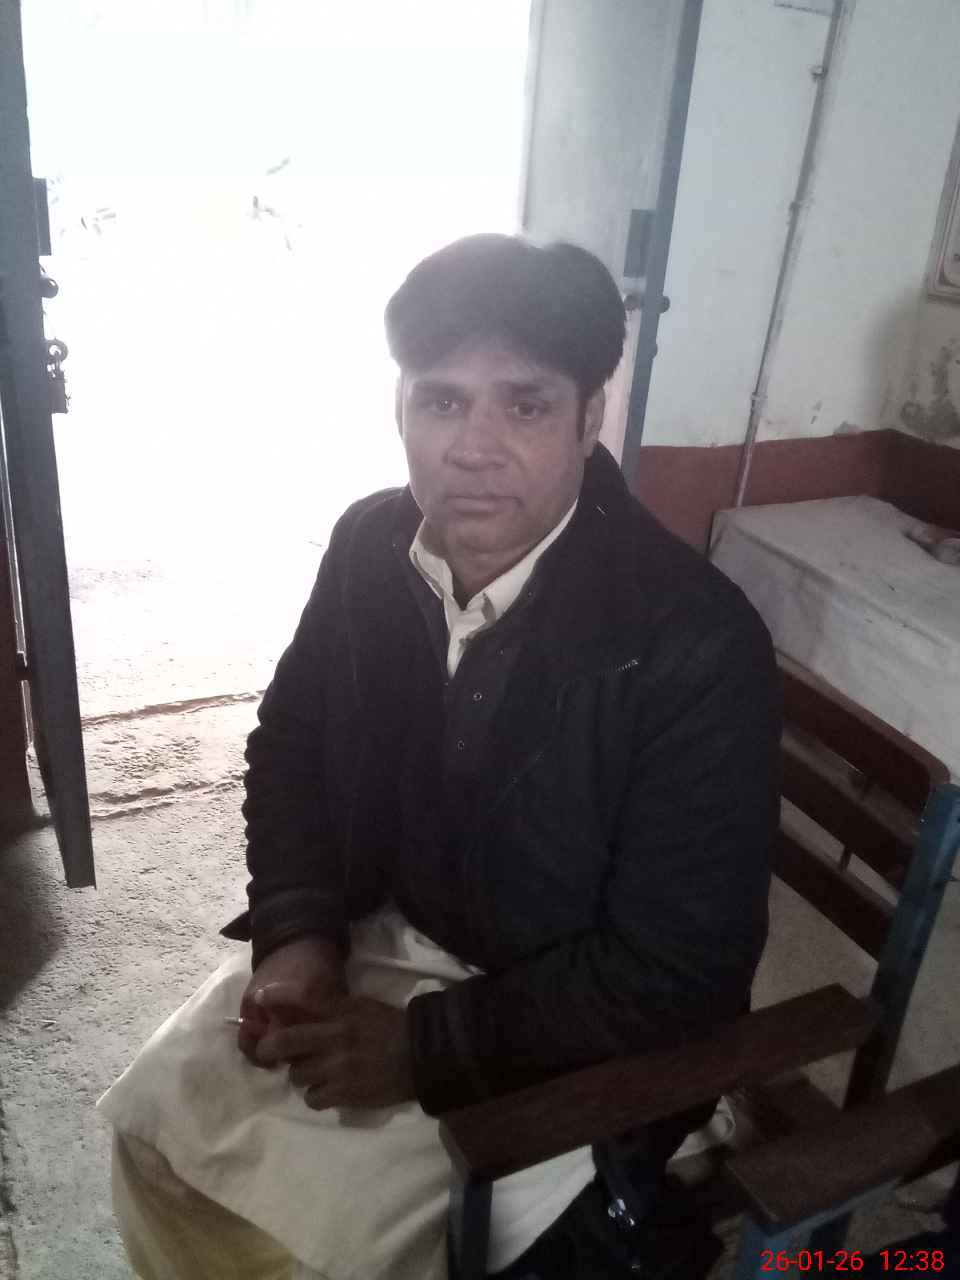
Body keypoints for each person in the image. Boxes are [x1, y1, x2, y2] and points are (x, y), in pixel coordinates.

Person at [98, 234, 780, 1279]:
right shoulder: (370, 548)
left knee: (292, 1252)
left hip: (565, 1027)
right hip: (384, 931)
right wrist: (296, 930)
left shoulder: (693, 640)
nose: (474, 447)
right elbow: (291, 748)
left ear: (590, 417)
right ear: (399, 408)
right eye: (443, 400)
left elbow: (680, 968)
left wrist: (422, 1049)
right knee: (155, 1132)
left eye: (526, 405)